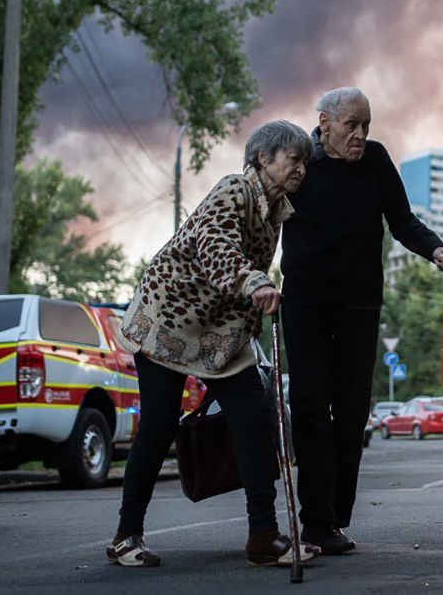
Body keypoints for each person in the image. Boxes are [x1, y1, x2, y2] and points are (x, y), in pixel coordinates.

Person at [108, 120, 317, 568]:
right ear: (263, 158)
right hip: (170, 322)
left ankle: (263, 536)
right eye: (293, 159)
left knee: (255, 419)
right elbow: (217, 247)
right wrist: (255, 280)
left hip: (221, 335)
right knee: (159, 426)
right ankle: (127, 537)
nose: (301, 168)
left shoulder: (275, 211)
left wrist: (254, 302)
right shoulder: (233, 190)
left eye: (305, 161)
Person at [280, 87, 443, 554]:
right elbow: (264, 216)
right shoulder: (300, 164)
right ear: (324, 124)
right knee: (311, 410)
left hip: (360, 306)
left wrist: (434, 248)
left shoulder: (376, 161)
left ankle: (335, 519)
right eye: (351, 126)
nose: (360, 135)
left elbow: (401, 220)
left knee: (353, 413)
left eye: (366, 126)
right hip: (306, 306)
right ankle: (315, 521)